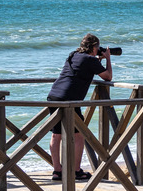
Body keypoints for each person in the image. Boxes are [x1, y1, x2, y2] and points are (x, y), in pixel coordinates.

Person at [47, 33, 113, 181]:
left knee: (56, 135)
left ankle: (57, 171)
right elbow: (108, 76)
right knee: (78, 135)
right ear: (95, 47)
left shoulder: (74, 54)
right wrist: (107, 58)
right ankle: (76, 171)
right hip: (70, 99)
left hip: (54, 95)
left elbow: (82, 66)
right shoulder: (90, 60)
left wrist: (97, 59)